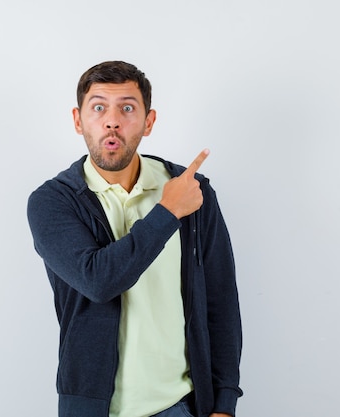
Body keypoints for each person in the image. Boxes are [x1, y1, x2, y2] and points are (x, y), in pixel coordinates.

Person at [27, 61, 242, 417]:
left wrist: (224, 403)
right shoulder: (53, 201)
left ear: (148, 121)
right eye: (98, 107)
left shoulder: (191, 191)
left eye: (127, 108)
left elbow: (221, 299)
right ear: (78, 120)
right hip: (96, 410)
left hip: (183, 406)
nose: (112, 120)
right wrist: (167, 212)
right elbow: (99, 281)